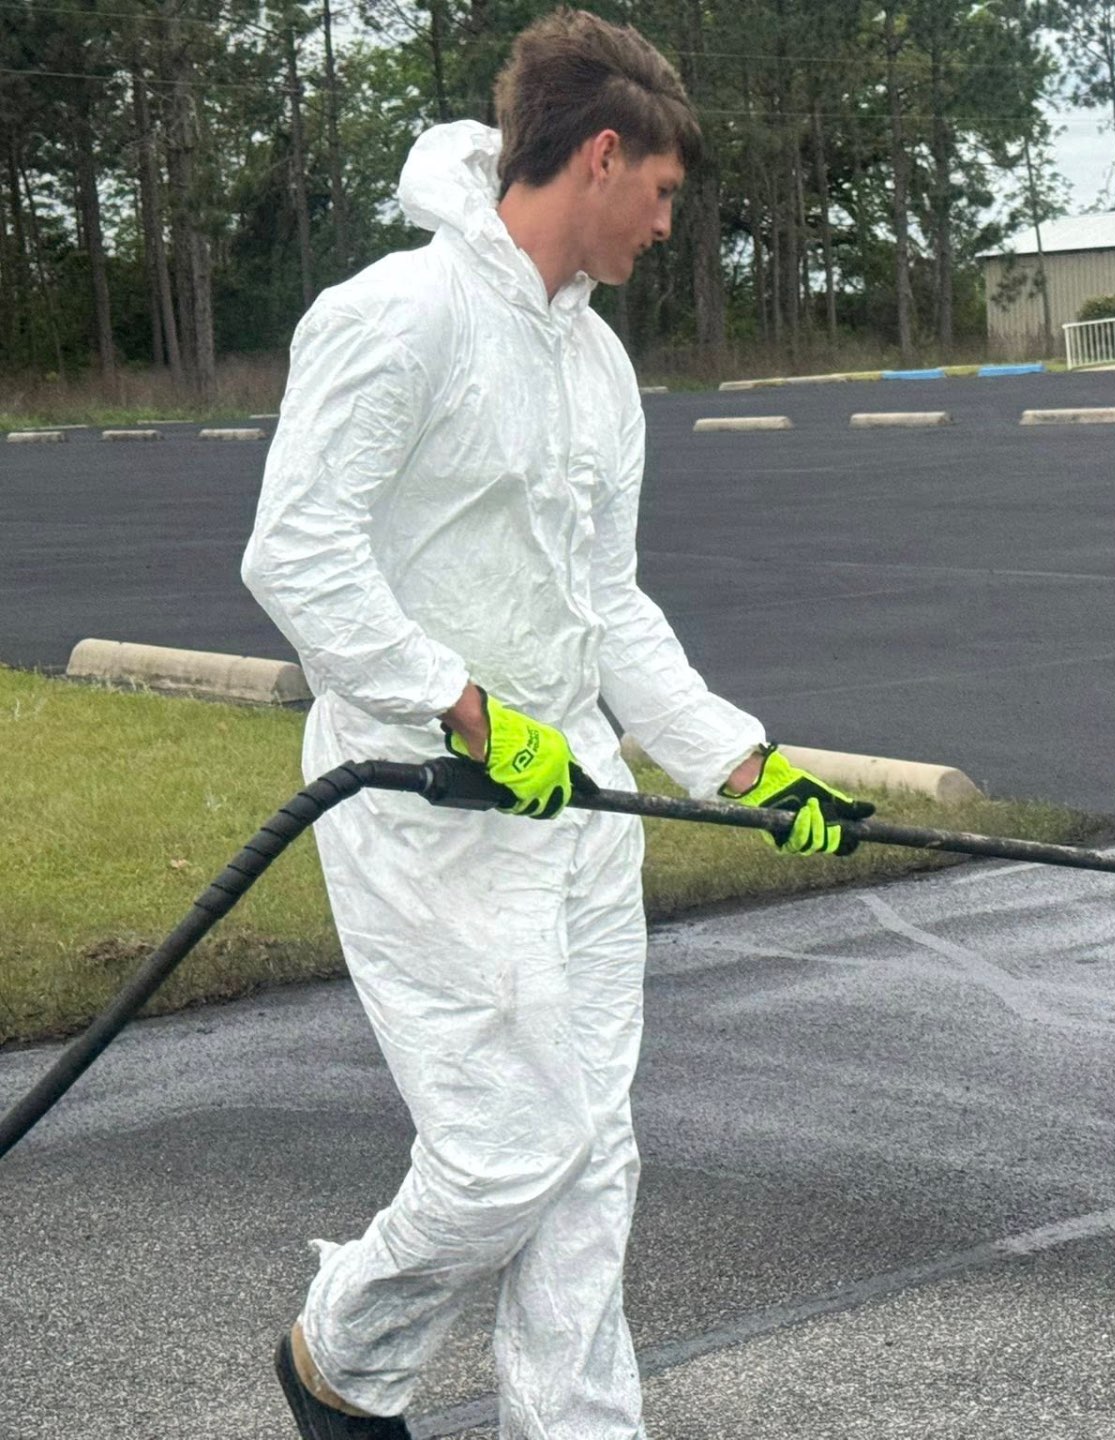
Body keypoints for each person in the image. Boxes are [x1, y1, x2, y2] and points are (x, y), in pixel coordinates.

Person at [241, 11, 873, 1437]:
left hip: (574, 807)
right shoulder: (395, 317)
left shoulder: (595, 368)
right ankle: (341, 1354)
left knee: (592, 1158)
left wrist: (744, 762)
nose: (664, 226)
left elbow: (609, 605)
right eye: (658, 195)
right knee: (504, 1154)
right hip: (424, 808)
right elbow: (297, 555)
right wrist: (459, 707)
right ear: (599, 155)